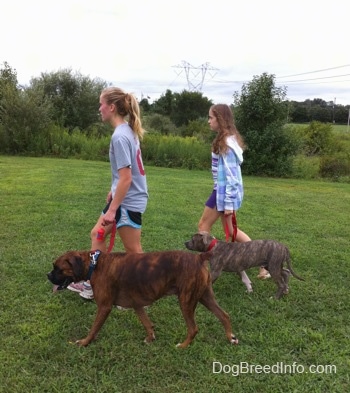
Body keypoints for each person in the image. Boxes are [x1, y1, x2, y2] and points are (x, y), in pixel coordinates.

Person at [68, 87, 149, 299]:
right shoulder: (126, 132)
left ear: (111, 107)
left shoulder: (120, 136)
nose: (99, 108)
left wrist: (113, 209)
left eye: (101, 104)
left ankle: (145, 292)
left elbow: (127, 177)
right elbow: (123, 175)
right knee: (97, 234)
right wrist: (112, 191)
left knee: (133, 251)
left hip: (128, 201)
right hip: (122, 197)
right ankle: (94, 284)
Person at [198, 104, 270, 279]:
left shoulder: (227, 144)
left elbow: (232, 177)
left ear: (220, 120)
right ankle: (264, 263)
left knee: (203, 226)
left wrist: (228, 204)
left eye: (211, 118)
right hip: (221, 192)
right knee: (232, 233)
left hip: (224, 195)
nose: (208, 121)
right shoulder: (227, 140)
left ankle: (202, 268)